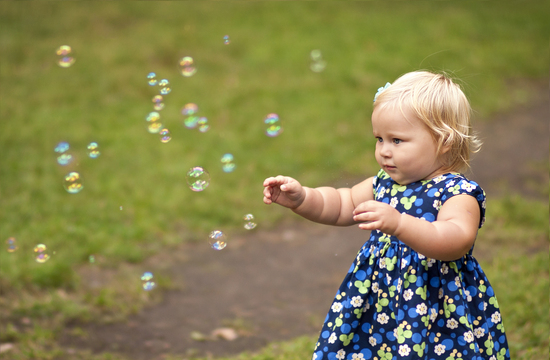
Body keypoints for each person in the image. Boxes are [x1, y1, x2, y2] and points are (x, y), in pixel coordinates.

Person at [262, 71, 510, 360]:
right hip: (378, 300)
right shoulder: (384, 184)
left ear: (443, 141)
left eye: (397, 140)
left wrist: (400, 223)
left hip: (437, 305)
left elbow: (456, 240)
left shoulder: (457, 193)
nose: (384, 151)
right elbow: (342, 204)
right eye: (379, 139)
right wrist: (303, 197)